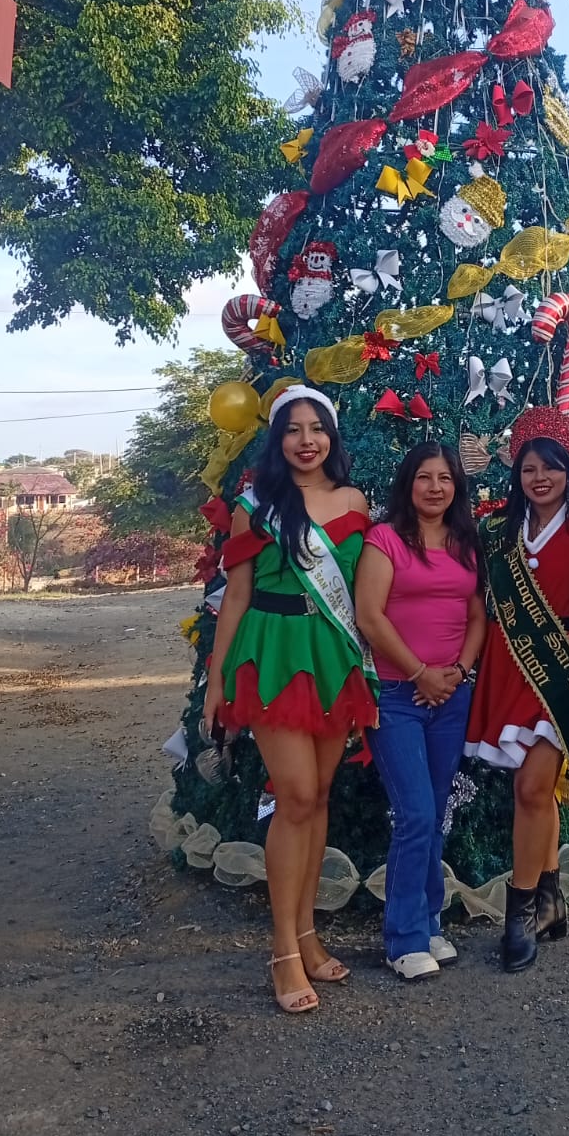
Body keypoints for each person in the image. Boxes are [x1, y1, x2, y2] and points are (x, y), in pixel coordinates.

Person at [203, 386, 378, 1014]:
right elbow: (236, 596)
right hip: (273, 650)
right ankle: (282, 949)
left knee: (319, 796)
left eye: (317, 428)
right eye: (294, 430)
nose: (308, 440)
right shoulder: (255, 506)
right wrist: (217, 680)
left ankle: (306, 934)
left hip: (331, 652)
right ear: (277, 440)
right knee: (296, 794)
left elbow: (362, 588)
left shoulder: (354, 501)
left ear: (332, 435)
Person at [464, 407, 569, 973]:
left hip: (565, 673)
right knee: (538, 793)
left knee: (531, 787)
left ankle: (520, 914)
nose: (540, 478)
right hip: (511, 669)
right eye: (529, 468)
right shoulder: (497, 532)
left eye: (551, 467)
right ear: (517, 474)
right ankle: (550, 903)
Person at [354, 443, 486, 981]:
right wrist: (419, 674)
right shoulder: (384, 539)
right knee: (415, 814)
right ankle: (403, 939)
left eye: (446, 478)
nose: (436, 487)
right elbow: (369, 616)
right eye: (425, 477)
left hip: (451, 696)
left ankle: (429, 923)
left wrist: (458, 671)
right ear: (408, 484)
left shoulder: (465, 543)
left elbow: (477, 616)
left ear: (457, 486)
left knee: (434, 813)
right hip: (397, 696)